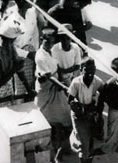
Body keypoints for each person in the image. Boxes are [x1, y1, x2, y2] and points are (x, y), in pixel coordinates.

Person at [34, 27, 71, 161]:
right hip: (47, 90)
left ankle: (59, 146)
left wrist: (63, 79)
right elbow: (49, 76)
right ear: (41, 40)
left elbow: (56, 68)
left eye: (52, 41)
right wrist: (63, 86)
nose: (50, 44)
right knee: (46, 118)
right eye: (47, 42)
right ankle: (52, 150)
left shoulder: (52, 51)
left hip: (56, 88)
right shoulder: (40, 56)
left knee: (65, 117)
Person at [68, 56, 104, 163]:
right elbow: (70, 100)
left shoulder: (98, 82)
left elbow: (103, 96)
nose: (90, 73)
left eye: (92, 70)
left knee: (92, 142)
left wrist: (98, 114)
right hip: (79, 116)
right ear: (81, 69)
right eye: (86, 70)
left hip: (92, 116)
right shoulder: (76, 82)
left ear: (95, 69)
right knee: (84, 144)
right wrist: (80, 109)